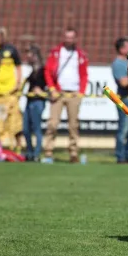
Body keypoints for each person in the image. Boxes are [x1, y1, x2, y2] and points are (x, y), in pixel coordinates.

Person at [43, 27, 89, 164]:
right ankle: (48, 151)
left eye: (71, 37)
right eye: (67, 37)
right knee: (52, 123)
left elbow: (84, 75)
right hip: (58, 93)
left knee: (73, 125)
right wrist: (52, 89)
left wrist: (81, 92)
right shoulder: (56, 52)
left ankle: (73, 152)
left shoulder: (80, 55)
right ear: (64, 38)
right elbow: (48, 72)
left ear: (75, 39)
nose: (69, 40)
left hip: (74, 93)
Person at [0, 27, 23, 152]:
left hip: (9, 92)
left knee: (14, 121)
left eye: (1, 35)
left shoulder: (11, 50)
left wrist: (18, 83)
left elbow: (18, 67)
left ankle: (17, 147)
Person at [22, 45, 47, 162]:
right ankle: (29, 151)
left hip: (38, 101)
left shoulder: (44, 70)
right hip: (29, 100)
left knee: (36, 128)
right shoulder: (31, 70)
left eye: (30, 55)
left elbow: (50, 85)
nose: (27, 57)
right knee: (26, 129)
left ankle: (36, 153)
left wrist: (42, 91)